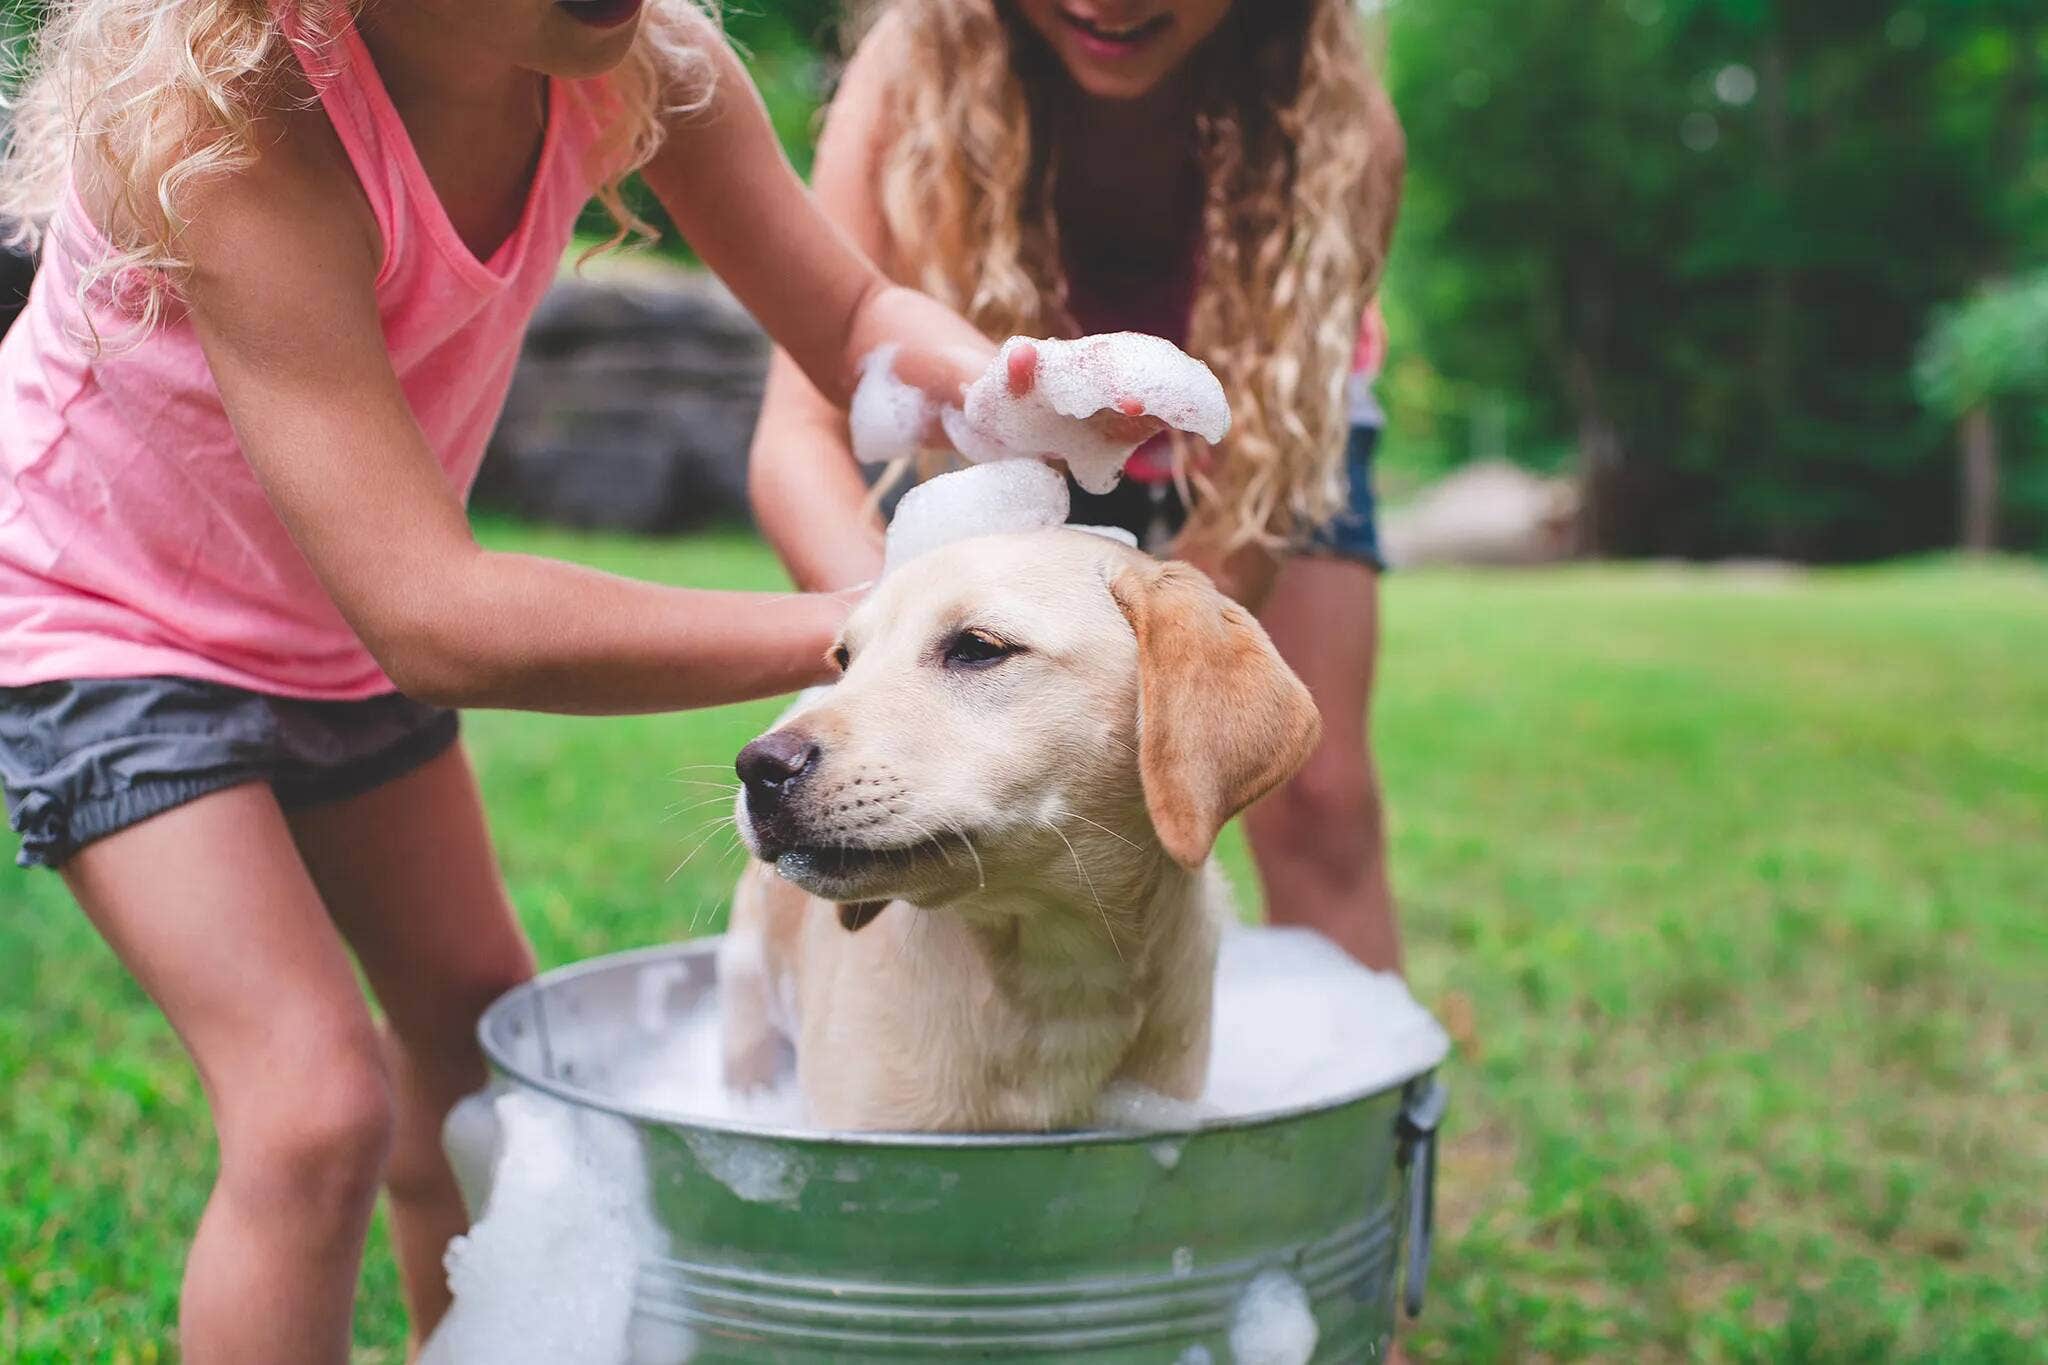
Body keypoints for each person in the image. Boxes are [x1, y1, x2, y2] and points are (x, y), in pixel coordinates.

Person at [0, 1, 1001, 1357]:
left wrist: (1011, 392)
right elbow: (440, 619)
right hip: (107, 621)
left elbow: (856, 319)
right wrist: (862, 625)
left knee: (479, 1043)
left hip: (332, 625)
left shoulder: (640, 64)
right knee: (312, 1109)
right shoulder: (227, 133)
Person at [750, 0, 1407, 971]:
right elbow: (795, 435)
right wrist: (896, 638)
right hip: (993, 447)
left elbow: (1253, 506)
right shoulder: (912, 69)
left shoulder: (1339, 128)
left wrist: (1176, 709)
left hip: (1268, 433)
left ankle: (1360, 1110)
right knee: (915, 800)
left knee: (1315, 799)